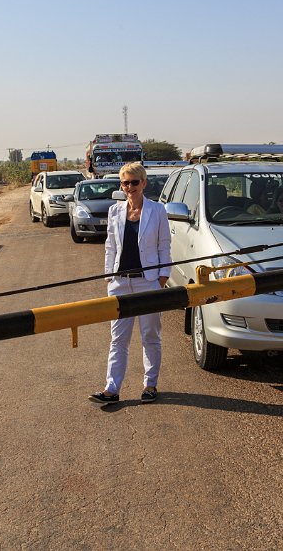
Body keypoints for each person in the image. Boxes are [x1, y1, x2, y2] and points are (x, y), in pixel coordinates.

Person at [89, 162, 172, 405]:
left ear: (144, 183)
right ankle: (111, 389)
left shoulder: (157, 211)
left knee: (150, 337)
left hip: (148, 284)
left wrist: (162, 278)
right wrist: (109, 276)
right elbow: (110, 246)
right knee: (118, 339)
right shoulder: (115, 211)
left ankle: (150, 384)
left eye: (134, 182)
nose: (130, 187)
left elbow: (164, 246)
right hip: (120, 284)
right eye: (125, 182)